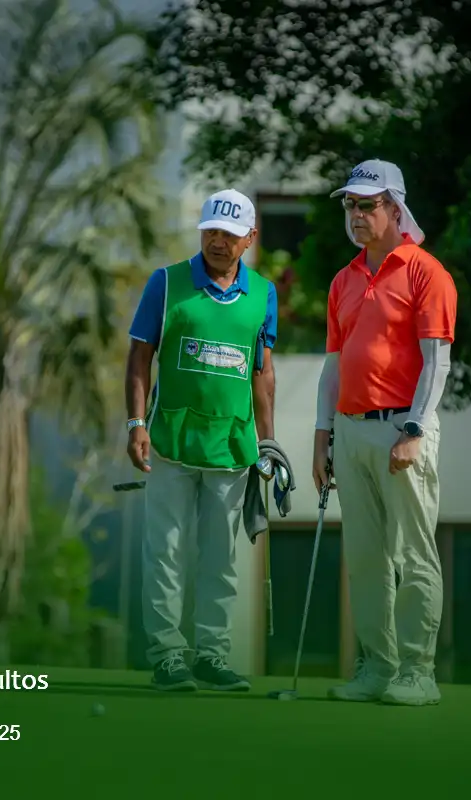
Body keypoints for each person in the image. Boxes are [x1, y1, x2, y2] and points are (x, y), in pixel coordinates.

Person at [312, 159, 457, 706]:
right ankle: (377, 667)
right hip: (351, 431)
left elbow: (436, 362)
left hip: (403, 429)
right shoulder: (343, 280)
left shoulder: (426, 272)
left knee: (415, 555)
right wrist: (322, 436)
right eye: (350, 205)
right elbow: (333, 366)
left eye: (367, 205)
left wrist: (414, 429)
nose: (356, 214)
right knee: (366, 556)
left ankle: (419, 673)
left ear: (395, 209)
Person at [125, 188, 279, 692]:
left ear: (249, 238)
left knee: (221, 559)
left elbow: (262, 372)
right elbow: (139, 356)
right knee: (165, 553)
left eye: (229, 235)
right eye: (211, 231)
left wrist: (269, 441)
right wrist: (135, 423)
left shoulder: (263, 294)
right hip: (170, 439)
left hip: (232, 447)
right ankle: (168, 656)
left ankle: (212, 655)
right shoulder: (166, 282)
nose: (218, 241)